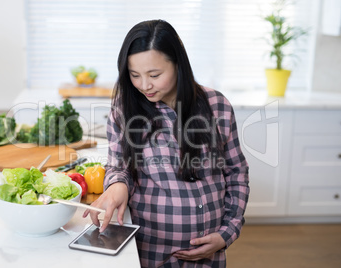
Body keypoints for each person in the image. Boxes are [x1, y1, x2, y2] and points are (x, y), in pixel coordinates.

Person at [83, 19, 249, 267]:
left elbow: (236, 172)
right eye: (134, 75)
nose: (144, 85)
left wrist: (228, 232)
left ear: (178, 65)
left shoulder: (217, 106)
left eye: (155, 75)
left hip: (209, 252)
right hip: (149, 251)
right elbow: (119, 165)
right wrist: (117, 184)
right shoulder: (124, 109)